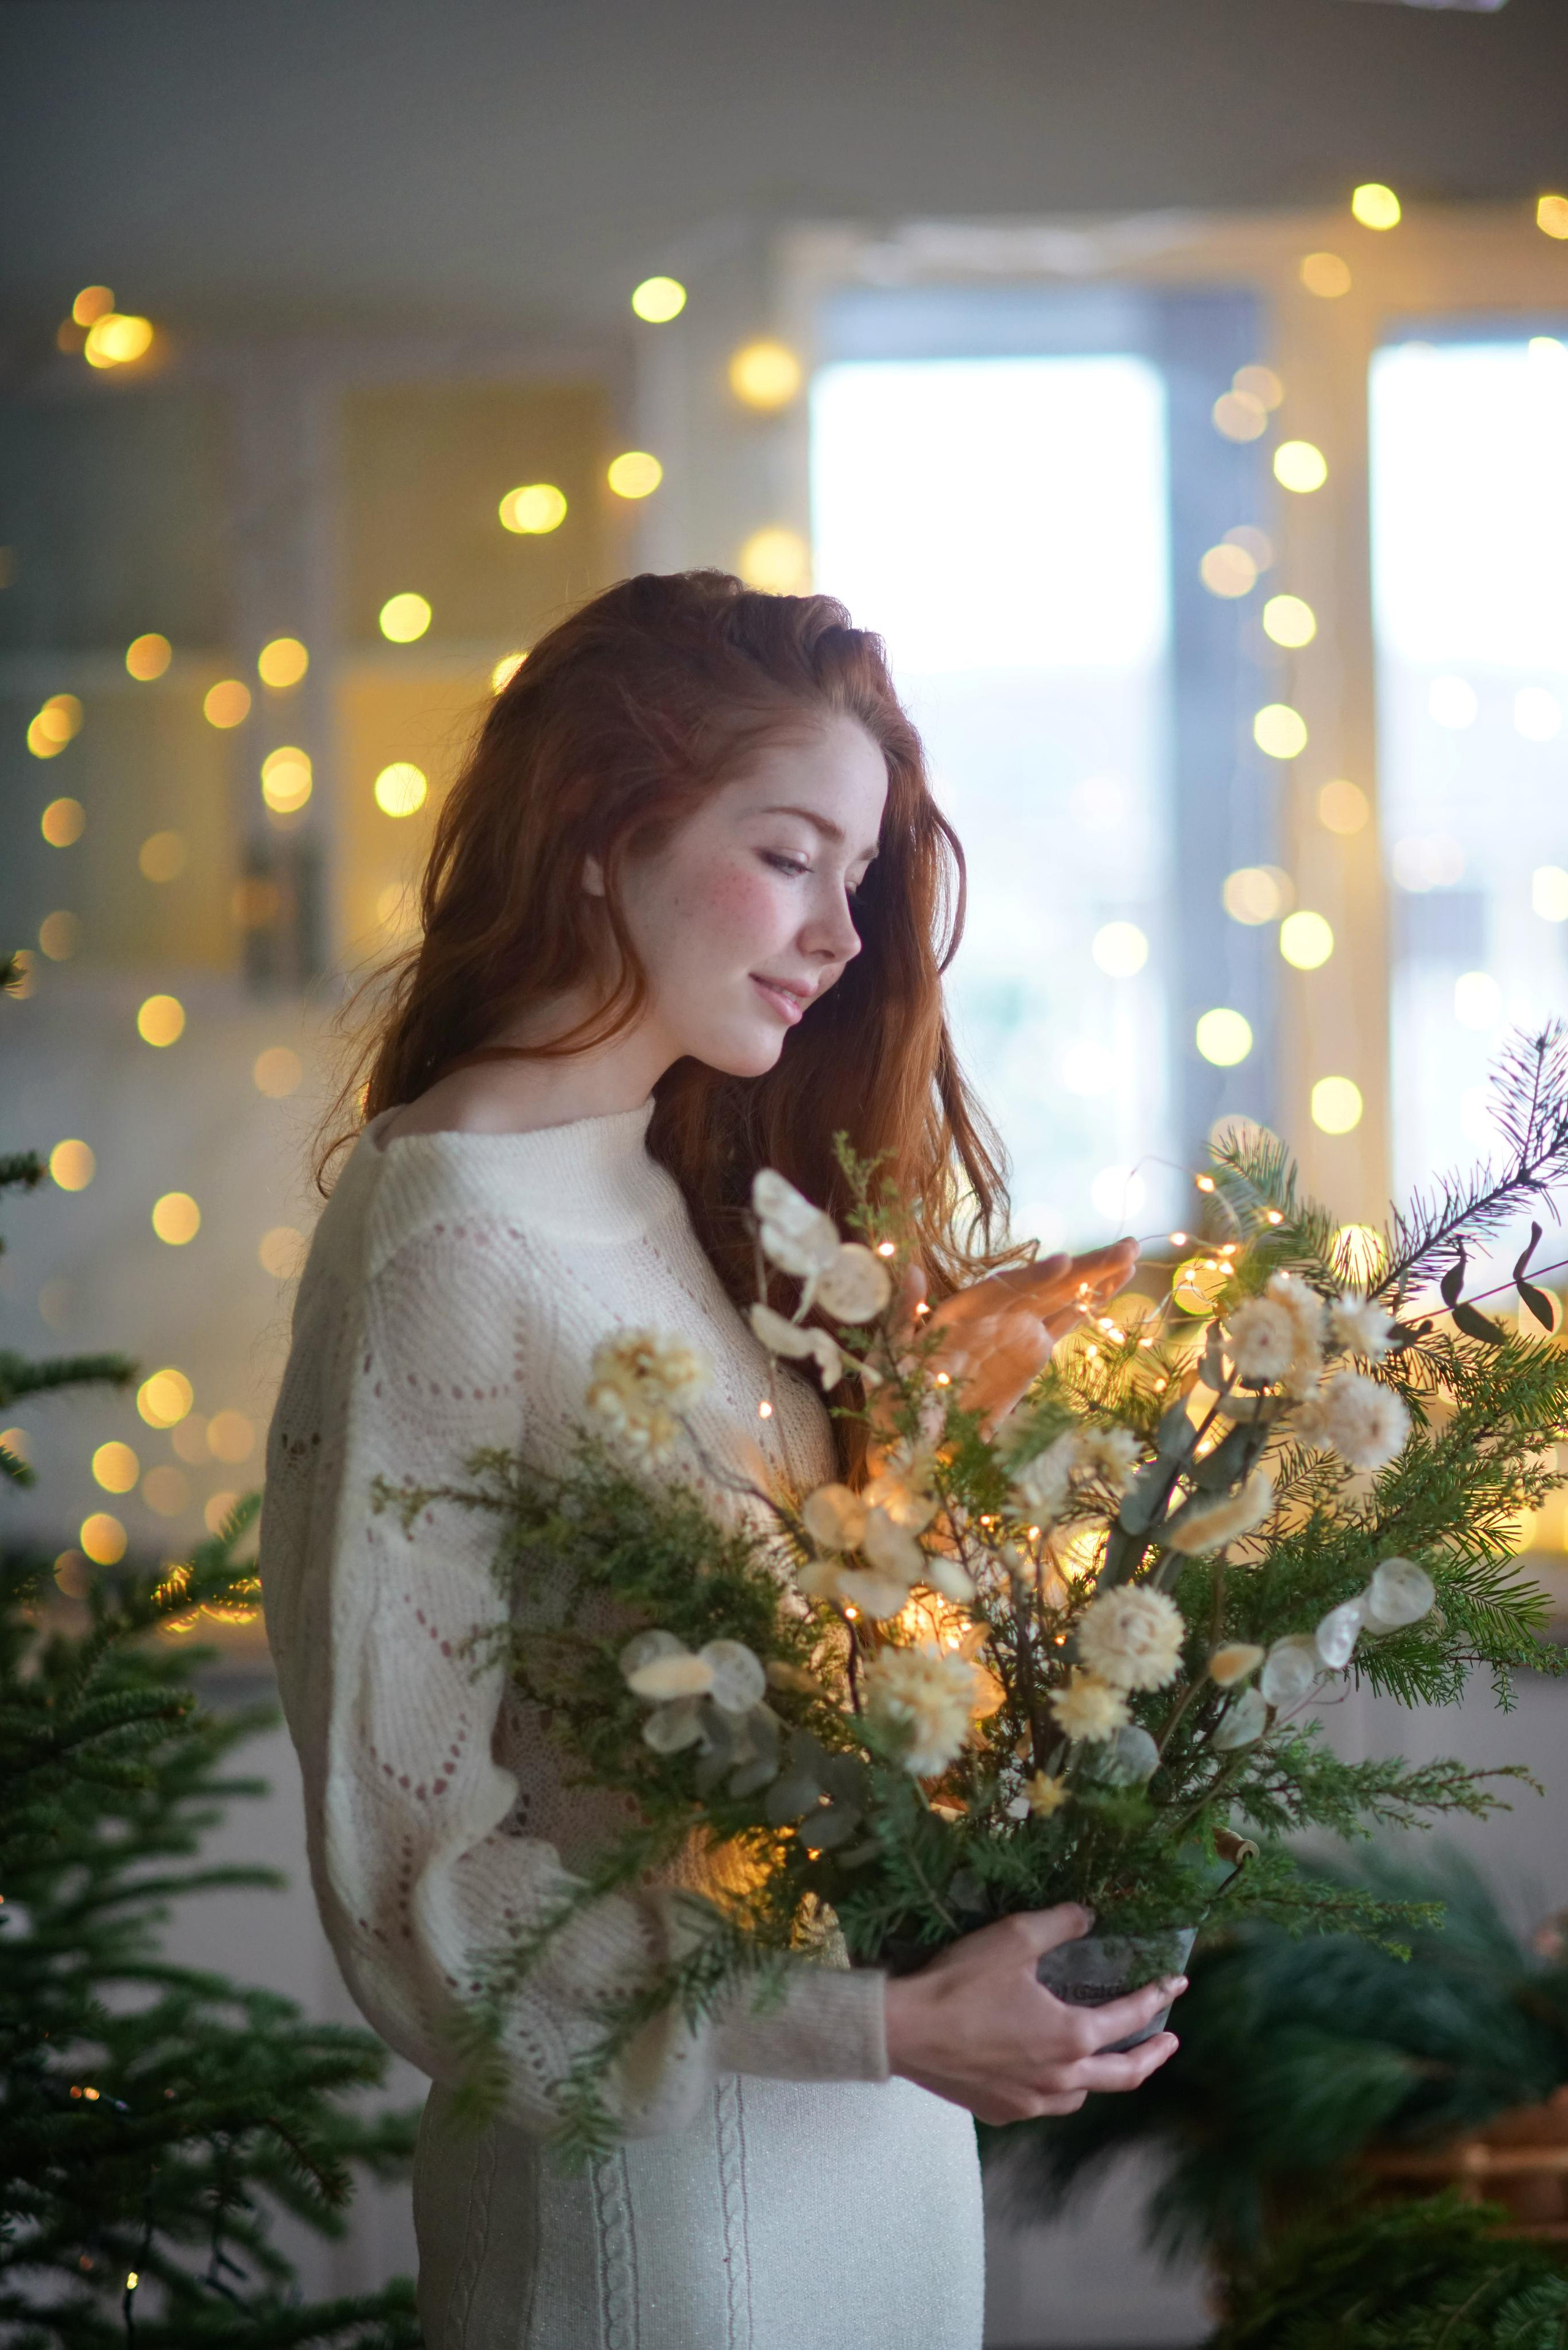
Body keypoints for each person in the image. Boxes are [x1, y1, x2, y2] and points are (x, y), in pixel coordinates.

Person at [258, 570, 1184, 2350]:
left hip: (881, 2184)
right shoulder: (448, 1241)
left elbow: (781, 1705)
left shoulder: (675, 1188)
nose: (839, 935)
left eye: (859, 876)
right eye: (788, 857)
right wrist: (880, 2023)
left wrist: (950, 1451)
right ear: (600, 831)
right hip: (662, 2243)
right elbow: (419, 1893)